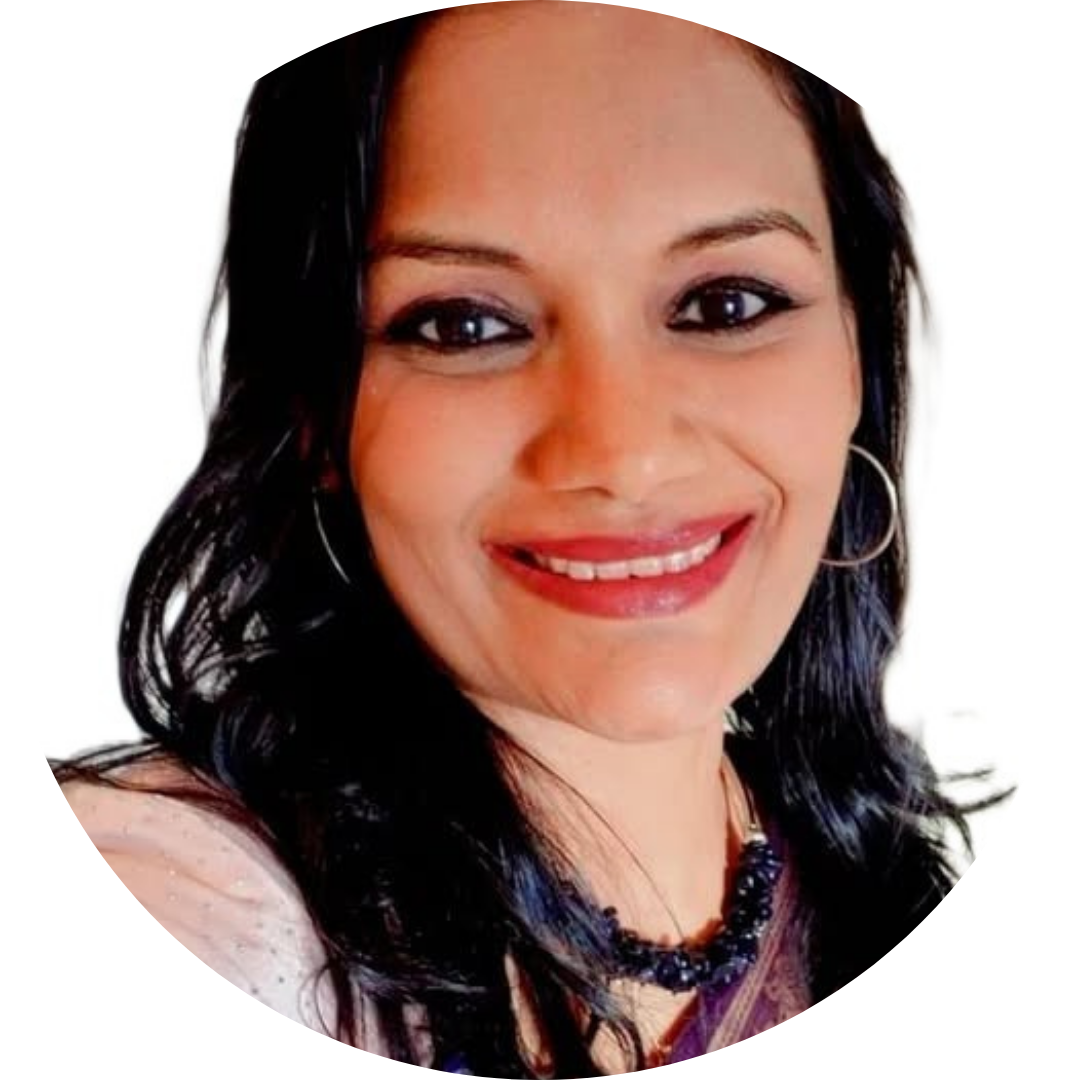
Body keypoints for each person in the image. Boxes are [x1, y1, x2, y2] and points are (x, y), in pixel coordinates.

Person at [56, 4, 971, 1073]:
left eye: (726, 303)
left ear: (857, 351)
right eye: (464, 325)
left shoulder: (871, 884)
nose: (623, 453)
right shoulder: (198, 901)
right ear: (315, 413)